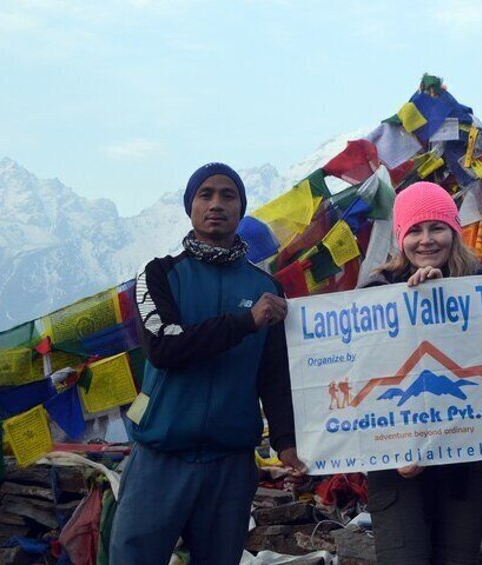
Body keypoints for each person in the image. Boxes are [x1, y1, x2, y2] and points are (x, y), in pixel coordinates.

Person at [110, 162, 306, 565]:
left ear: (241, 208)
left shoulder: (265, 288)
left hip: (230, 465)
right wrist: (245, 322)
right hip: (159, 457)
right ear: (190, 207)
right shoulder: (159, 274)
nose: (216, 203)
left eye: (228, 195)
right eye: (206, 194)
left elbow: (274, 375)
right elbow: (164, 346)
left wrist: (286, 442)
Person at [363, 181, 482, 565]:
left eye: (436, 228)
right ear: (400, 236)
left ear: (454, 231)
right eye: (414, 230)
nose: (426, 241)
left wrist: (448, 304)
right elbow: (364, 386)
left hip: (467, 468)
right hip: (396, 470)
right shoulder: (375, 291)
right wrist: (393, 447)